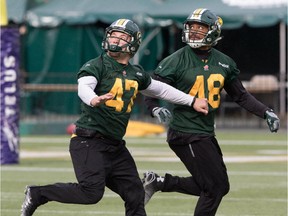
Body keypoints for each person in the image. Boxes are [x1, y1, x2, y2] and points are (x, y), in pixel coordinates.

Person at [20, 19, 209, 216]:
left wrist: (192, 100)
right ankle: (38, 193)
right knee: (91, 193)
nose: (115, 39)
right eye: (113, 34)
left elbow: (160, 89)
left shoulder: (136, 72)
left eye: (122, 36)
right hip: (88, 141)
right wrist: (93, 99)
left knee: (135, 193)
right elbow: (84, 86)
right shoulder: (97, 65)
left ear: (133, 43)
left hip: (115, 146)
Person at [142, 8, 280, 216]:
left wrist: (265, 112)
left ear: (213, 31)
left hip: (205, 131)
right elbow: (151, 90)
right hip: (185, 131)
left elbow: (240, 95)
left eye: (201, 27)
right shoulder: (176, 60)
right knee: (214, 188)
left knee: (219, 187)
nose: (195, 31)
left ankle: (159, 182)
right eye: (192, 27)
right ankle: (160, 182)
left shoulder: (224, 62)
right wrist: (155, 108)